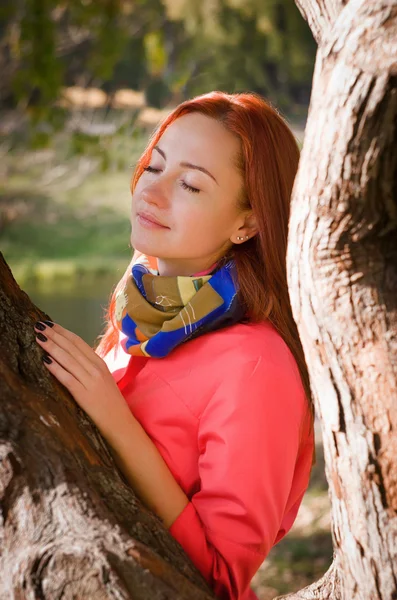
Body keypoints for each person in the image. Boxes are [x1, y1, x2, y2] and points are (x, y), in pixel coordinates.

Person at [34, 91, 316, 600]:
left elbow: (221, 577)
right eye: (154, 167)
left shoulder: (256, 364)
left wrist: (114, 420)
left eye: (189, 184)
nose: (153, 193)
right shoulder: (139, 296)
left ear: (247, 223)